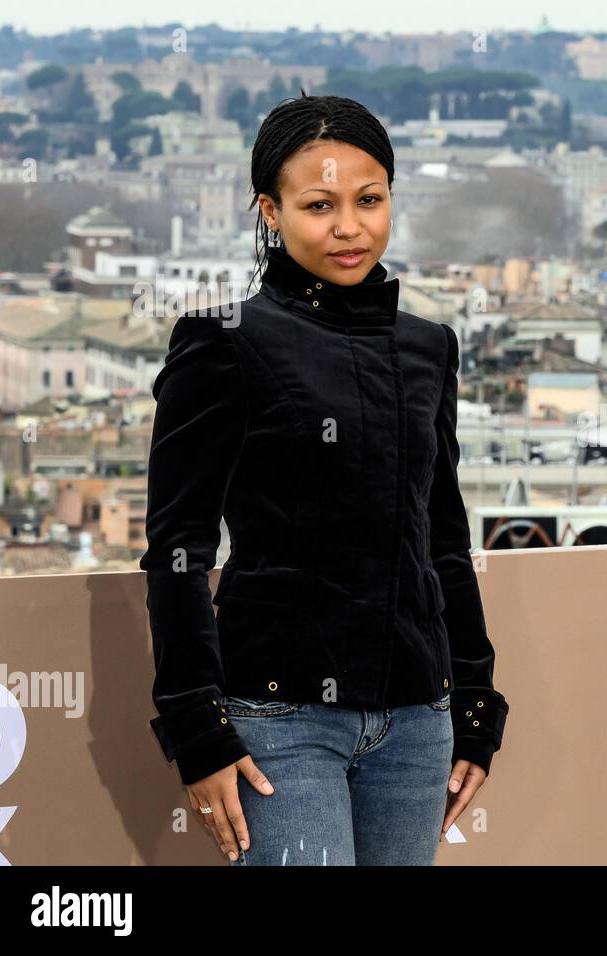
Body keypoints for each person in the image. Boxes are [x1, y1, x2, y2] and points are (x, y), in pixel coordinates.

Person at [139, 93, 507, 865]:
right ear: (268, 211)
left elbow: (443, 536)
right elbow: (178, 546)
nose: (350, 227)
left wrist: (474, 699)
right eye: (319, 205)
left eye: (369, 200)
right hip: (279, 718)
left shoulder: (428, 346)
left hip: (416, 716)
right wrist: (197, 728)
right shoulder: (222, 343)